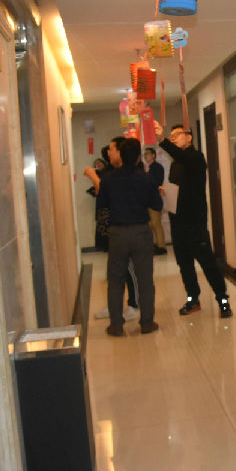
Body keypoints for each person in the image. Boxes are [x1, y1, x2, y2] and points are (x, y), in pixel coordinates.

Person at [155, 123, 233, 318]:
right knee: (185, 265)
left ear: (189, 137)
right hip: (178, 222)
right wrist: (167, 191)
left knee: (208, 264)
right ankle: (193, 299)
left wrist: (162, 140)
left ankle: (223, 301)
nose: (173, 138)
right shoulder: (176, 163)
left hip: (195, 224)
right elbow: (179, 188)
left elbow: (184, 157)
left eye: (177, 135)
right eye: (171, 136)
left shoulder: (196, 158)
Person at [96, 136, 163, 336]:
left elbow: (101, 205)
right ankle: (147, 323)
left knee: (115, 280)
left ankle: (116, 325)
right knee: (145, 279)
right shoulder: (146, 178)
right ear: (137, 158)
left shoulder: (108, 179)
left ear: (121, 156)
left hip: (117, 233)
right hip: (141, 232)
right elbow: (157, 205)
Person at [143, 147, 167, 255]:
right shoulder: (147, 168)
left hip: (154, 199)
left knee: (156, 224)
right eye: (144, 154)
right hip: (147, 200)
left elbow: (157, 182)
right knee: (151, 225)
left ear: (153, 155)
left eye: (148, 153)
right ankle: (156, 245)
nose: (145, 155)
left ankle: (161, 246)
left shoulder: (157, 167)